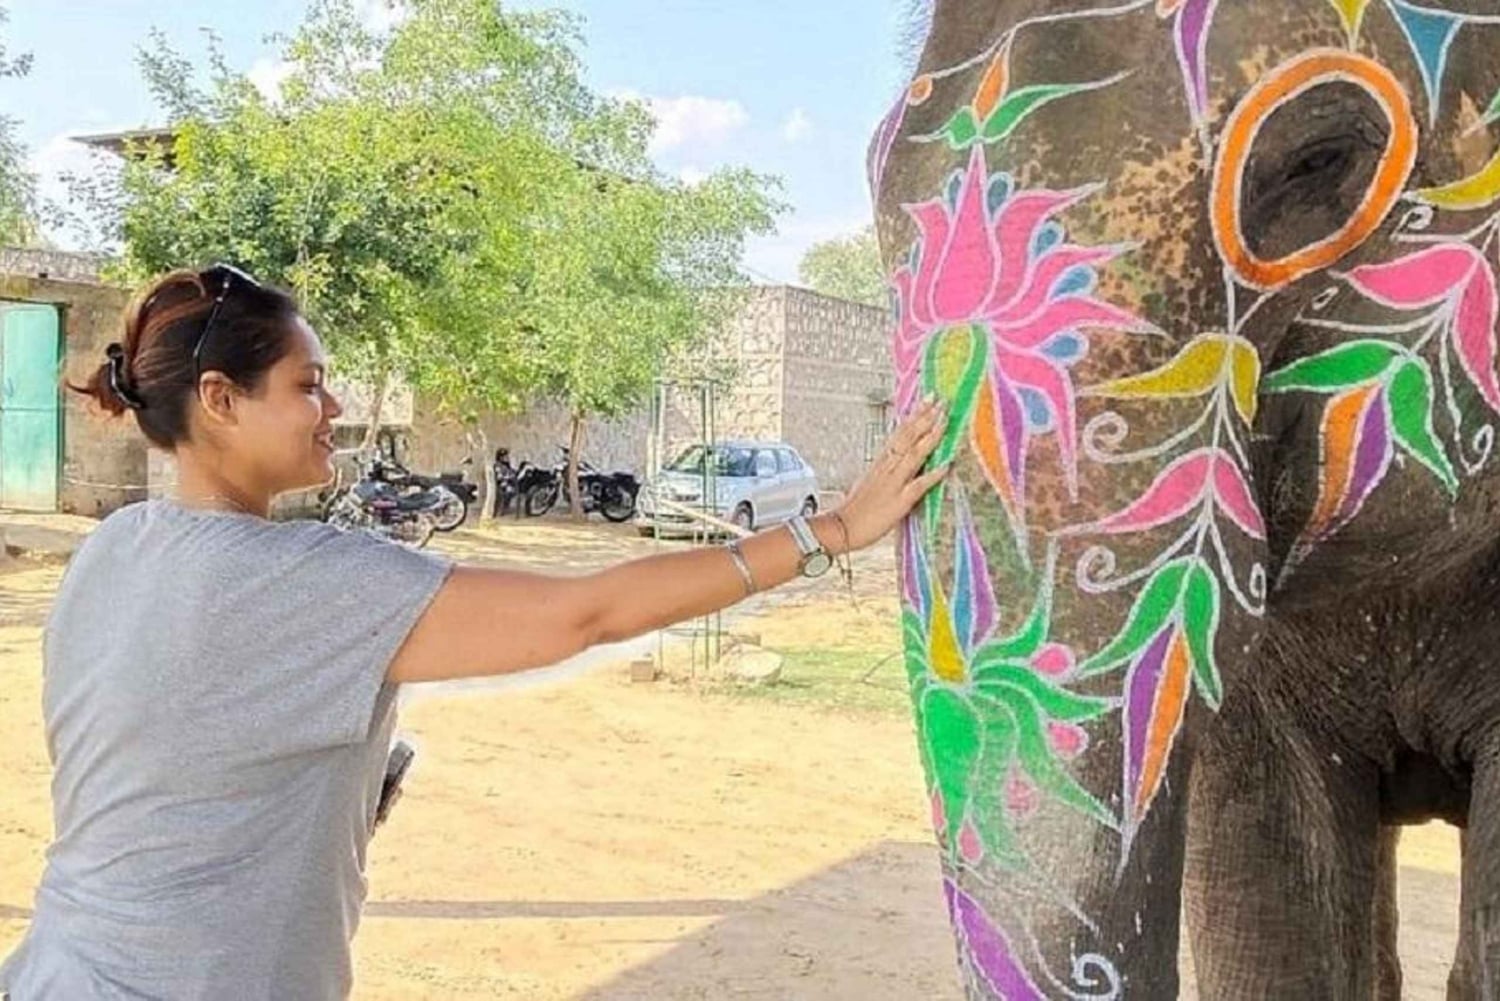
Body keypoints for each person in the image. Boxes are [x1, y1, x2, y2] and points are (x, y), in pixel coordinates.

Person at [0, 264, 948, 1001]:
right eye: (308, 385)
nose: (334, 411)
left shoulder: (108, 552)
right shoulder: (304, 583)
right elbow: (590, 610)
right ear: (218, 399)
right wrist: (831, 531)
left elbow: (155, 764)